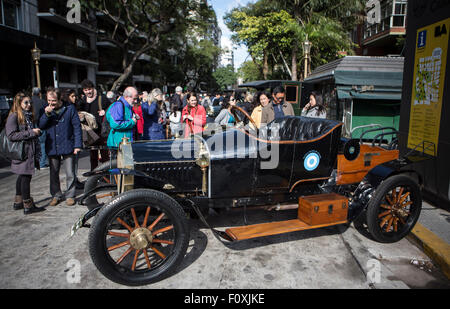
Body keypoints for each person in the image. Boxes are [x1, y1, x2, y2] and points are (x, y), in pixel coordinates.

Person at [39, 88, 82, 207]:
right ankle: (56, 195)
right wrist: (46, 114)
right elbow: (41, 125)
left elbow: (76, 127)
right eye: (48, 100)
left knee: (70, 172)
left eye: (53, 101)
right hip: (52, 146)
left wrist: (77, 145)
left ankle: (70, 195)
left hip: (68, 143)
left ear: (59, 99)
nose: (51, 103)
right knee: (54, 173)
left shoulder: (69, 108)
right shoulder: (45, 109)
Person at [6, 93, 44, 215]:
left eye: (29, 102)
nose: (29, 105)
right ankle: (28, 205)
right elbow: (11, 135)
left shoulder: (26, 116)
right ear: (19, 104)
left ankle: (18, 202)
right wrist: (31, 132)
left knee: (22, 176)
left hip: (27, 151)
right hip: (22, 152)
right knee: (26, 177)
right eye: (25, 103)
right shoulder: (14, 116)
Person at [79, 79, 111, 171]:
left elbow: (111, 107)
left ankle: (106, 176)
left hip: (102, 132)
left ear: (93, 88)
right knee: (93, 157)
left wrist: (105, 111)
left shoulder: (102, 98)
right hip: (90, 132)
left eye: (89, 89)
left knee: (105, 156)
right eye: (86, 90)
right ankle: (94, 176)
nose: (88, 92)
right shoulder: (83, 101)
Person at [31, 87, 48, 169]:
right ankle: (42, 163)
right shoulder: (42, 102)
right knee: (42, 144)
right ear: (39, 93)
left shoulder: (29, 101)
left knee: (32, 144)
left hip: (30, 125)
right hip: (41, 125)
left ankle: (34, 164)